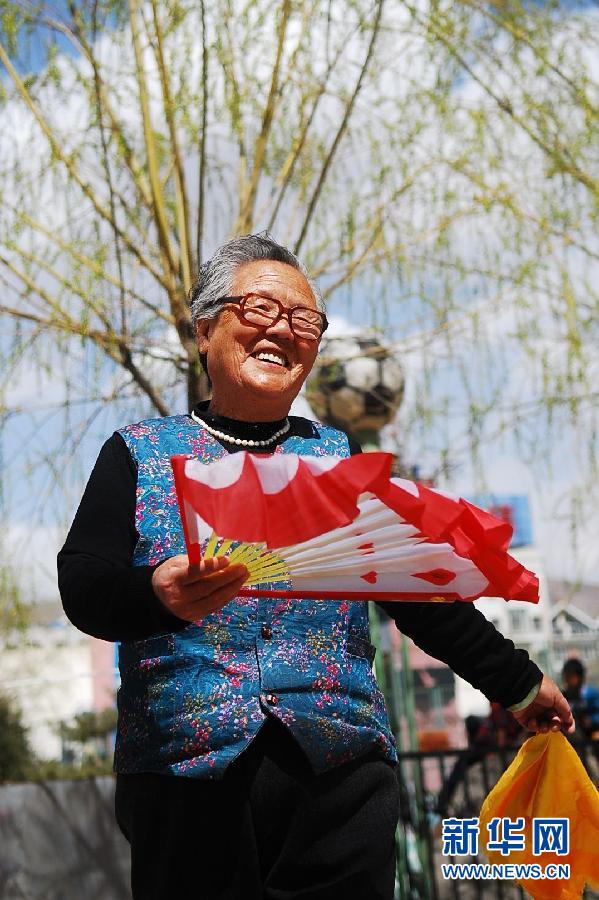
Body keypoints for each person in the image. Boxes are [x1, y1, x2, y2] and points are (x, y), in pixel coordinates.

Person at [57, 233, 574, 900]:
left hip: (340, 782)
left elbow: (416, 594)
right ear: (205, 329)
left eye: (304, 319)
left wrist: (521, 685)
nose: (283, 329)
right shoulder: (137, 452)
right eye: (259, 309)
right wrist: (157, 592)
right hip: (184, 784)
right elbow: (84, 586)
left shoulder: (338, 458)